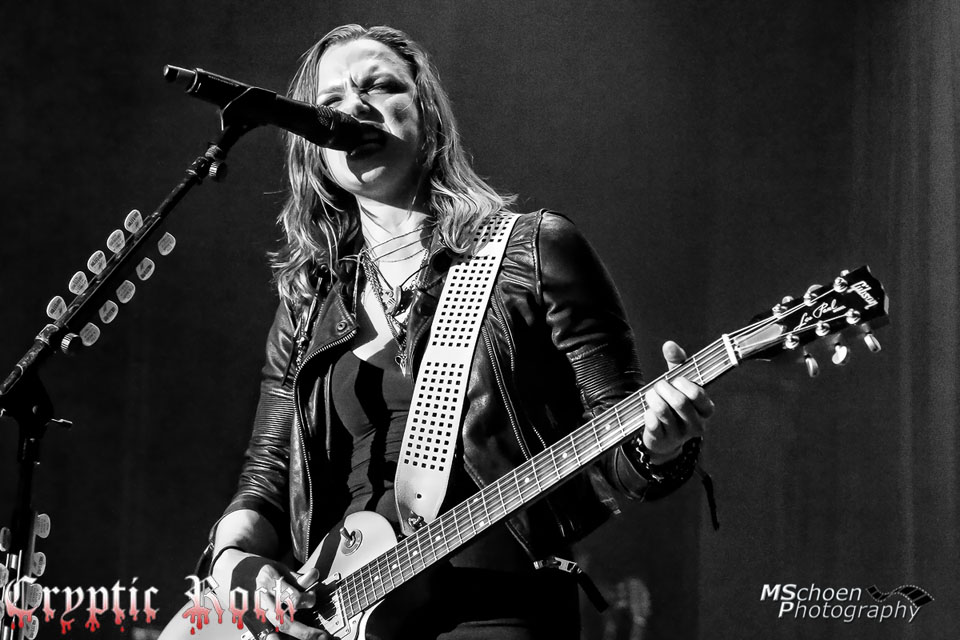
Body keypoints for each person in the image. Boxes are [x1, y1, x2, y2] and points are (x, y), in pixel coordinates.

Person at [185, 23, 713, 640]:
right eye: (330, 101)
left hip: (493, 602)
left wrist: (662, 446)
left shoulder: (530, 252)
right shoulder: (308, 306)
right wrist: (236, 564)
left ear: (427, 116)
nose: (353, 108)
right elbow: (267, 478)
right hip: (337, 611)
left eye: (379, 86)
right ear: (313, 147)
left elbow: (617, 446)